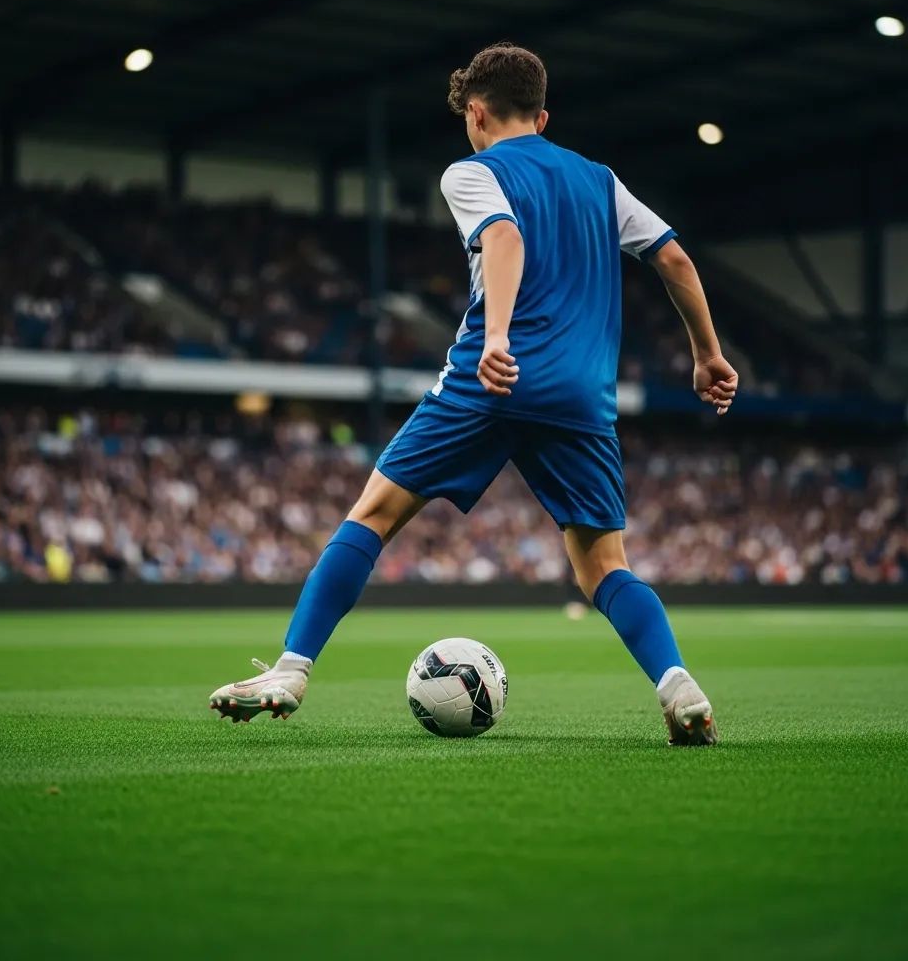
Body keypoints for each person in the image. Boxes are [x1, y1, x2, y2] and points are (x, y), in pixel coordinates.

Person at [209, 43, 738, 745]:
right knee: (605, 565)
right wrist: (707, 354)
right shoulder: (599, 180)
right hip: (582, 397)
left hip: (491, 379)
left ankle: (291, 669)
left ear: (476, 112)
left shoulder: (471, 171)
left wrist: (496, 337)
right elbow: (672, 256)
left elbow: (503, 237)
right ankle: (678, 687)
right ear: (543, 116)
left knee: (374, 515)